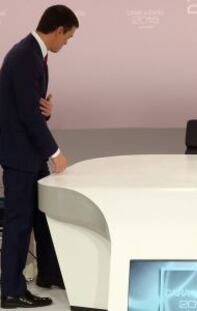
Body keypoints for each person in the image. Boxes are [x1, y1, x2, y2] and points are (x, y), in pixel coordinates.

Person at [0, 5, 79, 308]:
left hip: (29, 155)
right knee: (19, 223)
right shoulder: (24, 56)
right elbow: (25, 116)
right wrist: (55, 152)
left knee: (42, 216)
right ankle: (11, 291)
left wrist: (45, 110)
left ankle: (48, 273)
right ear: (58, 30)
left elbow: (30, 109)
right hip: (21, 156)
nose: (66, 44)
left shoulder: (34, 54)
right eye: (68, 38)